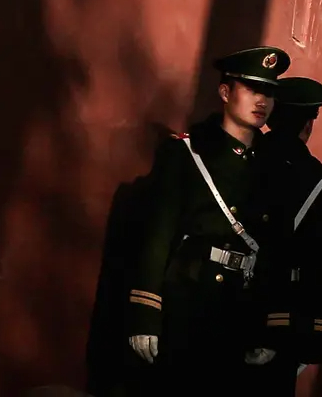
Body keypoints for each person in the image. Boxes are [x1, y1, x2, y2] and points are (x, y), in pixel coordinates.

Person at [125, 47, 295, 394]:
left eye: (269, 93)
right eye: (252, 89)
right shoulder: (188, 154)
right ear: (225, 92)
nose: (262, 100)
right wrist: (145, 312)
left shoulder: (275, 168)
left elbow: (278, 252)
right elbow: (158, 236)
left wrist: (271, 327)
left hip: (241, 314)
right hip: (188, 302)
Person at [258, 76, 322, 394]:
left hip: (224, 307)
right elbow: (318, 270)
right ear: (308, 125)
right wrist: (312, 341)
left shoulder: (245, 158)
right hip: (283, 322)